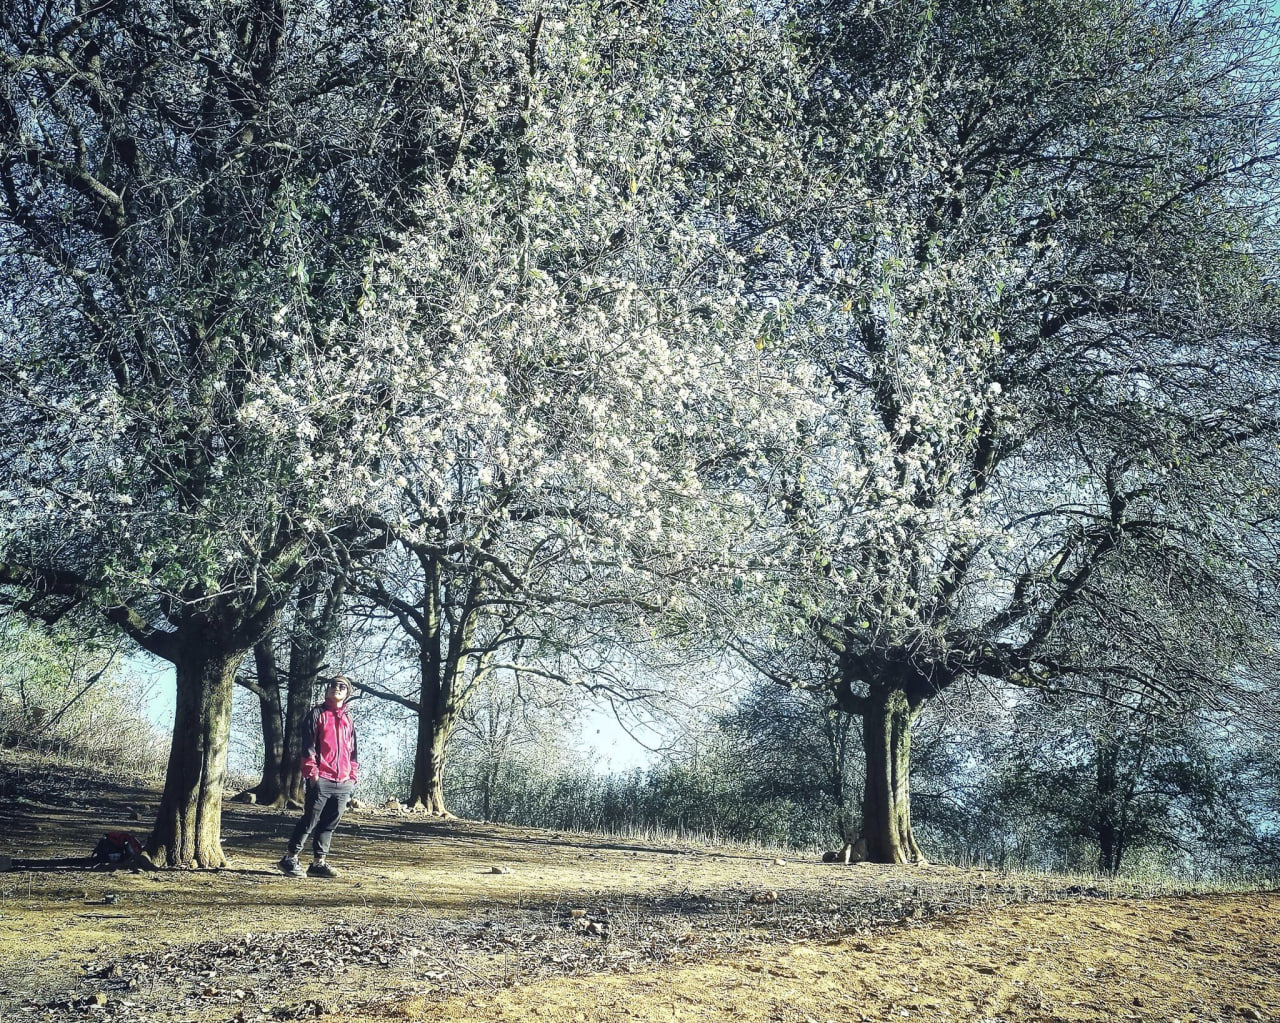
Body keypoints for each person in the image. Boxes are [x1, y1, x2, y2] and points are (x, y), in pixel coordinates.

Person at [278, 674, 359, 878]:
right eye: (333, 685)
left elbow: (353, 751)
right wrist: (312, 774)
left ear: (347, 692)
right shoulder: (316, 714)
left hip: (343, 782)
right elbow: (308, 747)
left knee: (329, 823)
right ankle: (289, 859)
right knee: (310, 820)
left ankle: (318, 863)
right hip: (321, 778)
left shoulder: (348, 719)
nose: (337, 688)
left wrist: (352, 776)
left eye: (342, 686)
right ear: (327, 690)